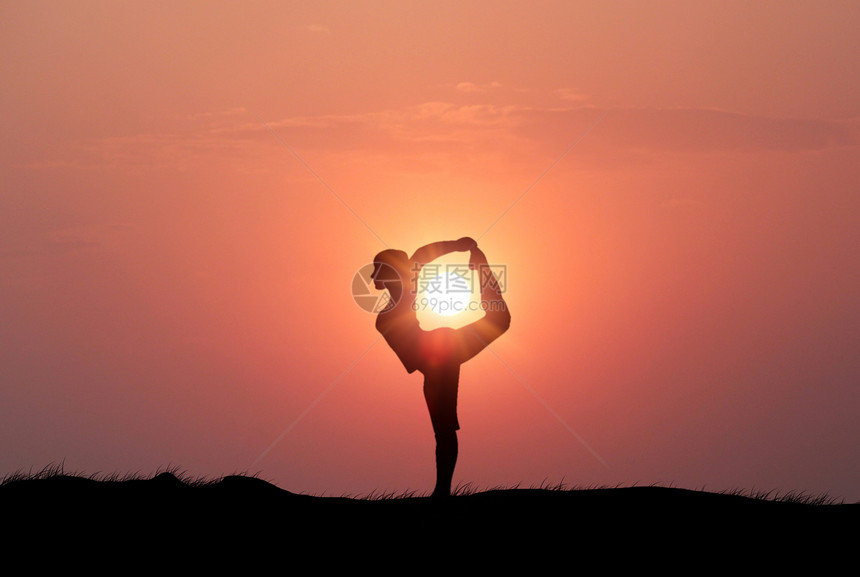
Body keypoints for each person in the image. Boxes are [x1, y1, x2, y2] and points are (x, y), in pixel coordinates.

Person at [371, 237, 511, 498]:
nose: (370, 275)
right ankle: (442, 491)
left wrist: (459, 245)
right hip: (435, 362)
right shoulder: (397, 299)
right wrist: (459, 246)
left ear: (390, 271)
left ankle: (442, 492)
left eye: (376, 268)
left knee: (500, 320)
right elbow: (421, 255)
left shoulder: (403, 289)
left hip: (442, 351)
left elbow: (423, 253)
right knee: (443, 430)